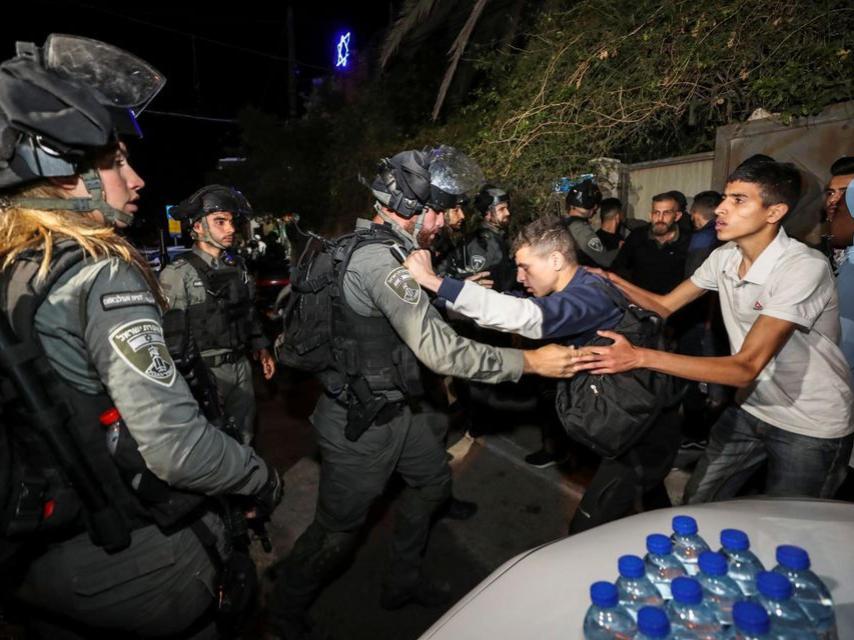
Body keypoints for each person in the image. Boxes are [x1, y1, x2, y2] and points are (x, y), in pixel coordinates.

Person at [0, 35, 281, 638]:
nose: (137, 178)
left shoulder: (16, 265)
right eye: (115, 162)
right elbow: (175, 449)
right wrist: (261, 478)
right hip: (133, 561)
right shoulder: (98, 271)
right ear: (64, 173)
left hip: (44, 553)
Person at [268, 148, 578, 639]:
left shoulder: (393, 250)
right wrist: (530, 361)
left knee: (432, 483)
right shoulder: (382, 261)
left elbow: (398, 322)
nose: (450, 222)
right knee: (337, 529)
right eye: (446, 210)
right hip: (361, 424)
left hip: (400, 409)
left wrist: (449, 296)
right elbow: (439, 352)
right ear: (416, 210)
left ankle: (403, 581)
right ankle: (284, 607)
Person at [576, 160, 854, 503]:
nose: (721, 208)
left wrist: (639, 358)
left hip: (810, 423)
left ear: (774, 212)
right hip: (751, 406)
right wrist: (611, 280)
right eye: (725, 197)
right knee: (698, 503)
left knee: (793, 530)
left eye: (739, 200)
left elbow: (744, 366)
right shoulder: (724, 257)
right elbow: (663, 305)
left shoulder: (802, 268)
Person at [404, 215, 682, 532]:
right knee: (653, 502)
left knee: (586, 529)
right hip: (637, 417)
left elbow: (528, 318)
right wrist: (446, 302)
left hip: (643, 433)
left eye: (526, 267)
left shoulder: (589, 294)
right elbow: (515, 304)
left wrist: (434, 281)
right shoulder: (575, 288)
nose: (520, 276)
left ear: (555, 259)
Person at [159, 185, 275, 445]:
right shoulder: (178, 274)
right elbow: (168, 339)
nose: (230, 229)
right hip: (203, 373)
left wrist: (261, 348)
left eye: (231, 222)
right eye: (219, 222)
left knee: (245, 439)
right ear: (198, 227)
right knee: (209, 444)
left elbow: (247, 312)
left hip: (241, 368)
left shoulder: (237, 268)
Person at [441, 185, 515, 291]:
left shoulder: (498, 237)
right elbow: (483, 281)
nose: (507, 213)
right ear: (488, 214)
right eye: (501, 209)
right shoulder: (482, 243)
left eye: (507, 208)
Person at [562, 178, 617, 268]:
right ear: (593, 207)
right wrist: (622, 248)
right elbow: (606, 260)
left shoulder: (562, 222)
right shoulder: (580, 229)